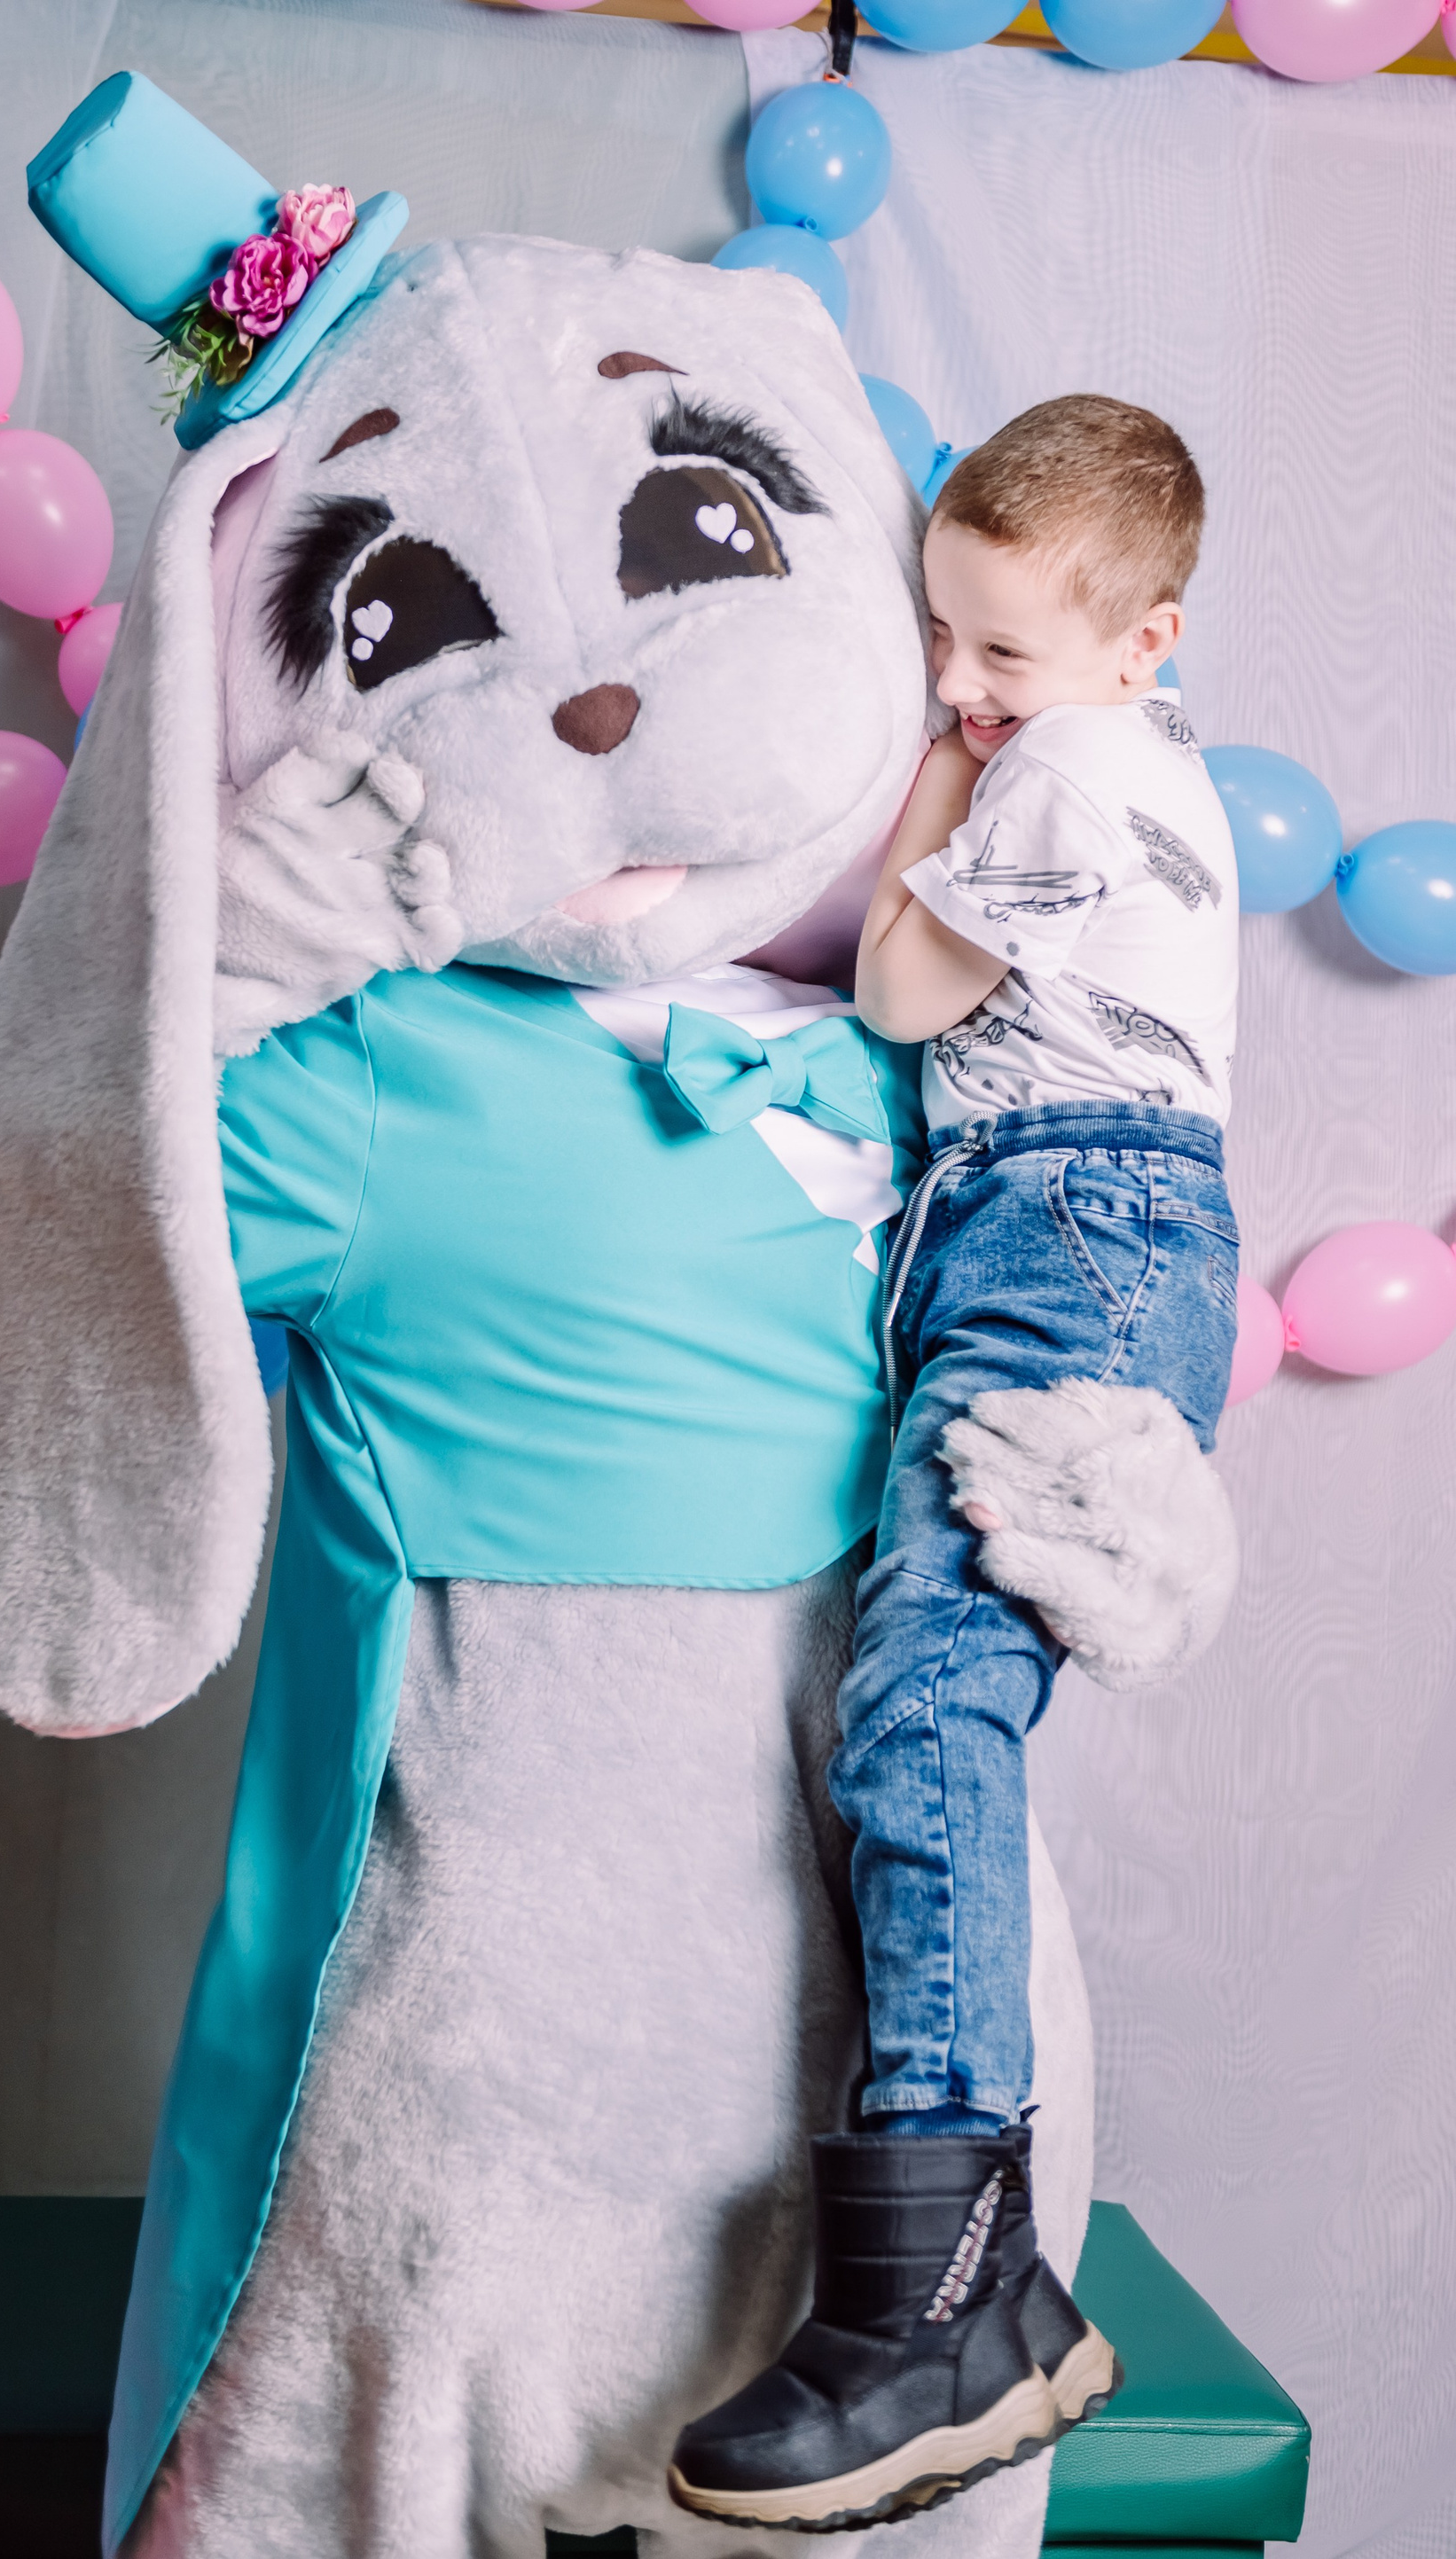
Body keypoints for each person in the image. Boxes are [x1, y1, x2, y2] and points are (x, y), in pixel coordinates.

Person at [669, 395, 1240, 2532]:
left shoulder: (1070, 768)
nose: (959, 678)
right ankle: (952, 2264)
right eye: (939, 635)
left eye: (1001, 647)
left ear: (1145, 641)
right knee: (920, 1699)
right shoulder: (1122, 755)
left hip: (1069, 1225)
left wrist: (939, 767)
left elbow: (902, 993)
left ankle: (952, 2280)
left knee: (926, 1709)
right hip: (1063, 1225)